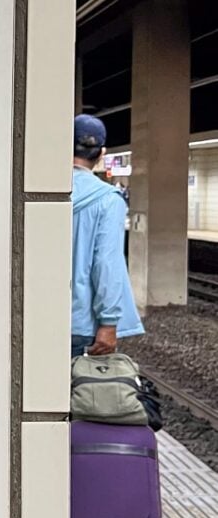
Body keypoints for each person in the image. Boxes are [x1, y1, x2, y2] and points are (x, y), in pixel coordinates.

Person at [71, 114, 144, 357]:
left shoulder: (36, 193)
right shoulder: (108, 200)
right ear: (101, 154)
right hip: (80, 321)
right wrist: (109, 322)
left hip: (31, 313)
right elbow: (106, 262)